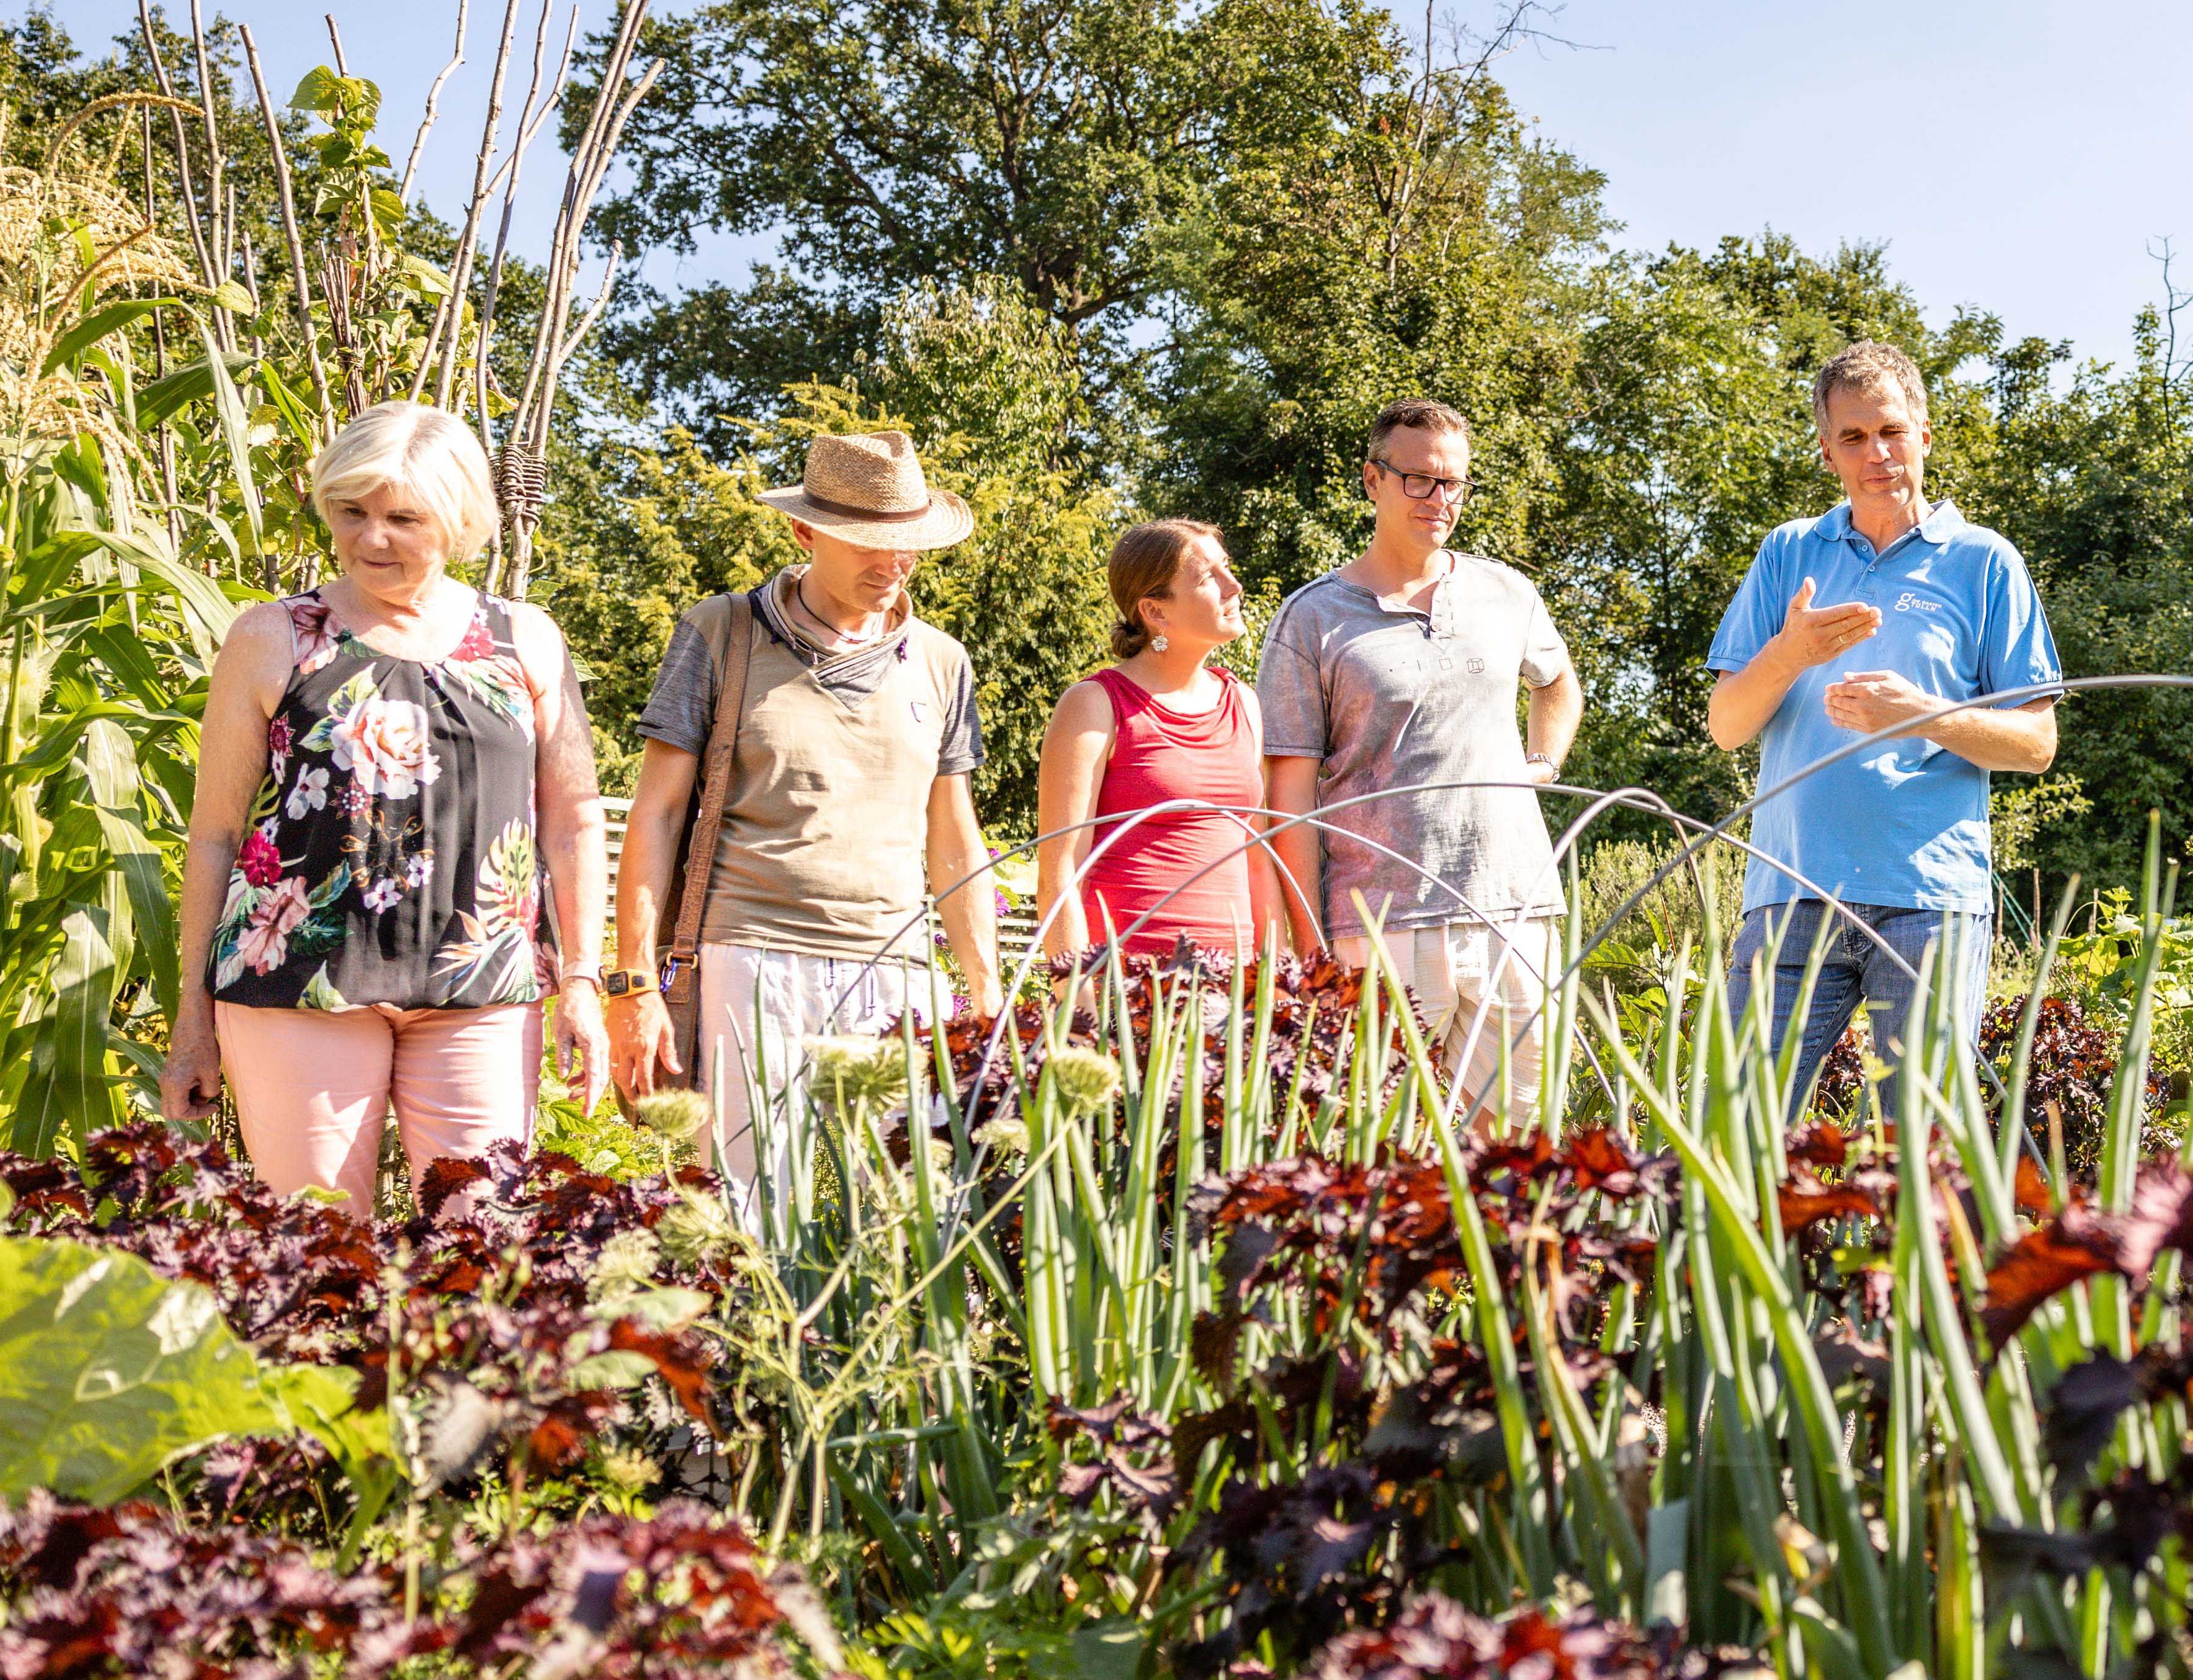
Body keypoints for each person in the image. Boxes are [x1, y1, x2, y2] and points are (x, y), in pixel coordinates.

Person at [160, 403, 608, 1208]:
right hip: (296, 986)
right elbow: (216, 833)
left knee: (480, 1246)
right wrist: (190, 1012)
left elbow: (575, 821)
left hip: (483, 990)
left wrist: (581, 977)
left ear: (459, 520)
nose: (371, 538)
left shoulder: (526, 639)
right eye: (351, 511)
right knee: (315, 1252)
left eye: (403, 518)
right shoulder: (271, 637)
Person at [605, 430, 1000, 1204]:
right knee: (750, 1206)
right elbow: (656, 813)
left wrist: (984, 986)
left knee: (911, 1207)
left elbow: (955, 836)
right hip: (749, 958)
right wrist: (634, 982)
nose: (893, 563)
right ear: (804, 531)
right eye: (868, 543)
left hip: (896, 966)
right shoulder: (723, 631)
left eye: (908, 544)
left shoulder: (941, 660)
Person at [1705, 342, 2059, 1112]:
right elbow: (1727, 725)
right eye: (1854, 436)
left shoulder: (1983, 561)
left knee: (1919, 1150)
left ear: (1924, 434)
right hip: (1791, 889)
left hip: (1928, 898)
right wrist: (1790, 653)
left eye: (1892, 431)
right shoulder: (1789, 551)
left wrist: (1920, 714)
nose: (1878, 453)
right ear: (1827, 450)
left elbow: (2037, 744)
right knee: (1733, 1132)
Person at [1258, 400, 1582, 1120]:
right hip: (1379, 923)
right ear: (1372, 480)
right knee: (1388, 1142)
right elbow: (1288, 797)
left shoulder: (1507, 592)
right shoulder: (1312, 617)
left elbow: (1557, 681)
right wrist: (1311, 949)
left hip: (1514, 906)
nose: (1441, 499)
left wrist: (1540, 764)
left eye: (1455, 482)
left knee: (1516, 1144)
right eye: (1420, 480)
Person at [1032, 518, 1302, 972]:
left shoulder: (1243, 702)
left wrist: (1276, 981)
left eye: (1227, 567)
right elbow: (1060, 876)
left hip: (1233, 988)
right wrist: (1075, 1001)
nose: (1234, 586)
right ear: (1155, 611)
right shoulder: (1095, 705)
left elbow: (1257, 861)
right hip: (1129, 985)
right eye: (1208, 577)